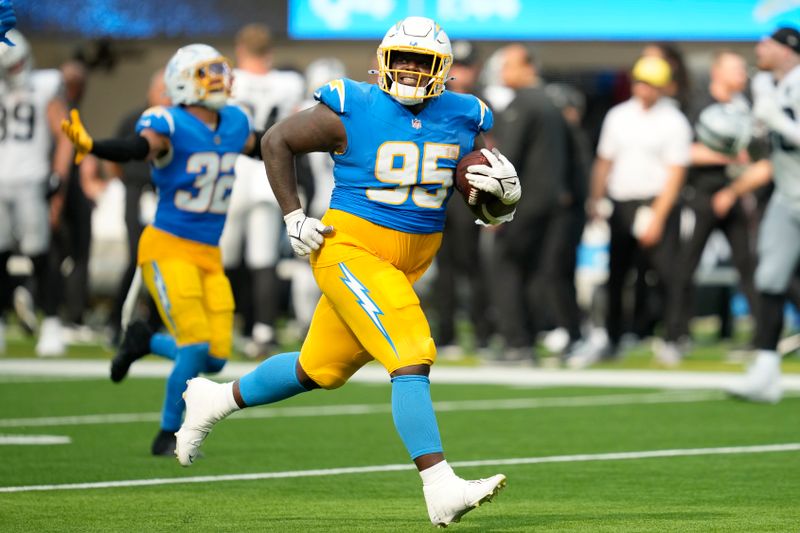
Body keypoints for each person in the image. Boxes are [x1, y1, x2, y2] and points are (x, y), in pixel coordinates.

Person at [175, 16, 519, 527]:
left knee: (321, 369)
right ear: (382, 61)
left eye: (420, 61)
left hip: (411, 258)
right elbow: (275, 141)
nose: (407, 69)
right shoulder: (351, 104)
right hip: (350, 247)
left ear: (440, 69)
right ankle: (440, 484)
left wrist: (499, 204)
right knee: (410, 348)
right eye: (400, 58)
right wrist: (293, 215)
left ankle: (215, 398)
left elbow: (481, 199)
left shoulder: (466, 114)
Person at [61, 43, 258, 455]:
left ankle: (142, 340)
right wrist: (95, 146)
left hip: (209, 252)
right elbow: (139, 147)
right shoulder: (168, 122)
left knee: (218, 358)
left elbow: (269, 144)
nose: (221, 79)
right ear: (184, 81)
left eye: (222, 70)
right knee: (195, 346)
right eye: (209, 72)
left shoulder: (237, 121)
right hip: (168, 246)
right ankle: (168, 432)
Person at [571, 55, 692, 368]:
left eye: (650, 84)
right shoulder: (618, 115)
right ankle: (612, 338)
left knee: (666, 275)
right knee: (617, 275)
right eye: (640, 82)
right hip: (623, 202)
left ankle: (673, 337)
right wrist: (595, 200)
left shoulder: (674, 120)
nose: (643, 89)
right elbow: (604, 160)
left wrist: (659, 216)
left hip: (657, 201)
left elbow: (676, 172)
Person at [220, 23, 305, 358]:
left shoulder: (230, 80)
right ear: (269, 51)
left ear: (241, 49)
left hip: (233, 172)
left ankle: (220, 327)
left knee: (224, 257)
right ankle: (263, 330)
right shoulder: (288, 83)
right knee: (263, 259)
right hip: (272, 173)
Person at [727, 27, 800, 403]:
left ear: (788, 50)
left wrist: (776, 120)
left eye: (767, 43)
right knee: (770, 279)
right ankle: (766, 371)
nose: (759, 48)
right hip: (787, 196)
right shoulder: (770, 87)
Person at [668, 51, 758, 349]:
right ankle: (676, 334)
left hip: (734, 195)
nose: (742, 75)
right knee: (685, 265)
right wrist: (729, 154)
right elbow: (686, 151)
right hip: (701, 196)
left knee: (747, 265)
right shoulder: (699, 106)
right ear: (718, 72)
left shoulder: (744, 106)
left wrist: (737, 187)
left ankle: (762, 334)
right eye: (736, 69)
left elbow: (755, 156)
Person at [489, 43, 572, 363]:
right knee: (536, 273)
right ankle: (530, 336)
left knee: (505, 267)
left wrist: (495, 207)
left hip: (523, 203)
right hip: (551, 204)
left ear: (527, 67)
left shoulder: (523, 103)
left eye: (508, 65)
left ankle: (517, 342)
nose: (502, 72)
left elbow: (507, 158)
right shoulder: (551, 102)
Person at [0, 30, 73, 357]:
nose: (16, 72)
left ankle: (52, 324)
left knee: (41, 255)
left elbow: (65, 134)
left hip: (31, 179)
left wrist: (58, 177)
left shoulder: (45, 86)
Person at [432, 40, 494, 358]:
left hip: (471, 192)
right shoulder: (436, 101)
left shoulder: (482, 104)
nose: (459, 73)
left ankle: (483, 332)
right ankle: (446, 334)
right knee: (444, 267)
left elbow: (493, 152)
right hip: (440, 191)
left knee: (474, 264)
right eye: (456, 66)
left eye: (465, 67)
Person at [106, 69, 170, 345]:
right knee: (137, 257)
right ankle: (116, 321)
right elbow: (114, 159)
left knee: (166, 261)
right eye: (162, 90)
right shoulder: (134, 120)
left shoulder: (178, 123)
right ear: (150, 91)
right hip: (137, 191)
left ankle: (156, 323)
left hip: (166, 195)